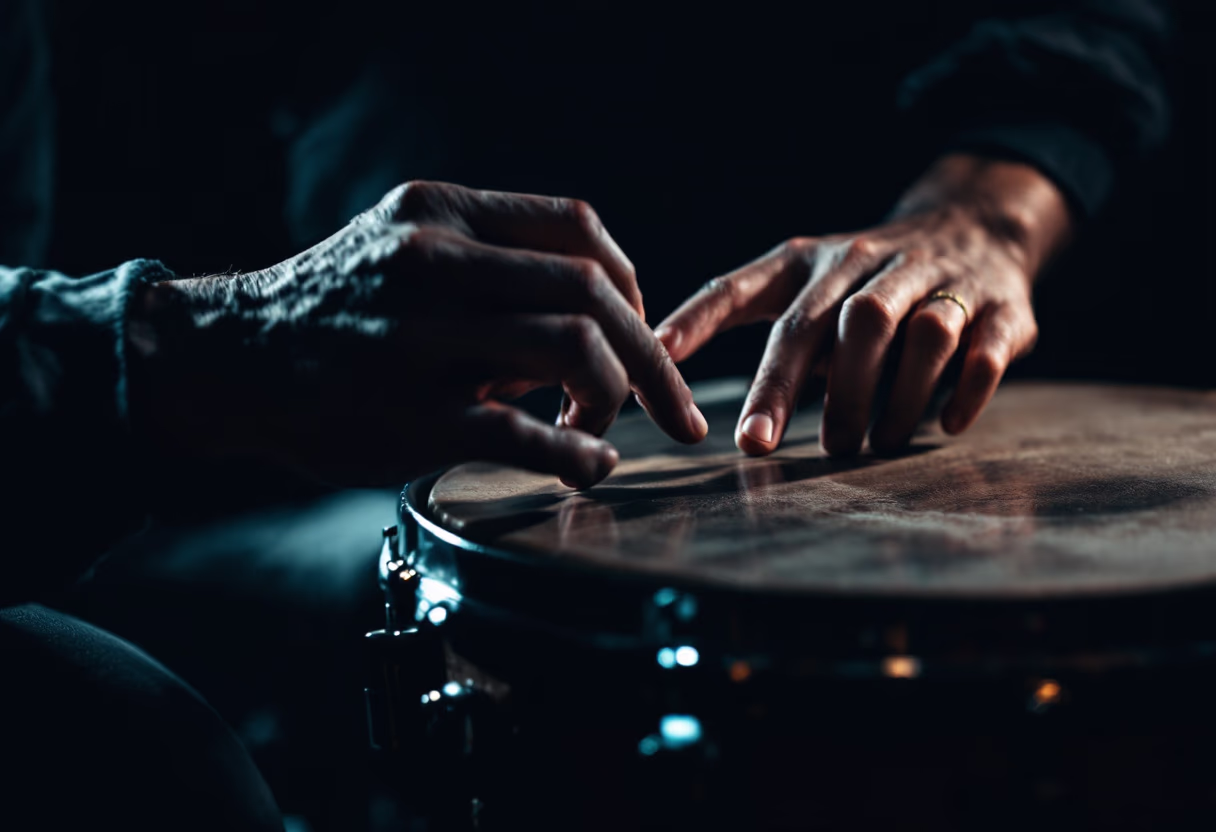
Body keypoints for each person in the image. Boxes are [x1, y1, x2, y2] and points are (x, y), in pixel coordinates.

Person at [0, 0, 1174, 829]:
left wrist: (986, 214)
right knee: (145, 759)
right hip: (202, 493)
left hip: (714, 416)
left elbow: (1077, 33)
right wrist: (196, 343)